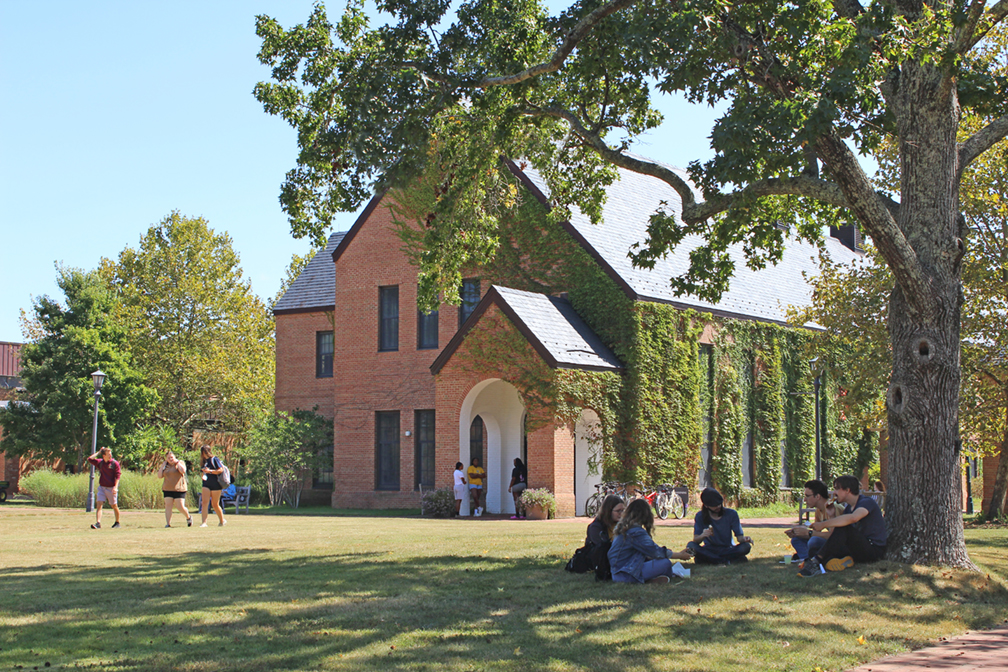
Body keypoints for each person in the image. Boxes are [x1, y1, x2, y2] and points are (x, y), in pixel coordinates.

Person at [799, 474, 887, 576]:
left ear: (847, 490)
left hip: (873, 550)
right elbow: (836, 536)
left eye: (837, 489)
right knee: (815, 546)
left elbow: (854, 518)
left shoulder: (866, 502)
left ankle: (816, 562)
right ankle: (837, 561)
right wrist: (831, 515)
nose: (834, 492)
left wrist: (823, 524)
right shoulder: (848, 508)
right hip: (855, 549)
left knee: (845, 527)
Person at [608, 498, 692, 584]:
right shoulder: (636, 532)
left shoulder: (623, 528)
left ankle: (652, 579)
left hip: (617, 573)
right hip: (627, 574)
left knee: (659, 560)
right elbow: (655, 551)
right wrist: (679, 555)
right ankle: (650, 579)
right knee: (666, 563)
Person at [687, 487, 753, 564]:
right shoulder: (700, 516)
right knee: (691, 546)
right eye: (714, 505)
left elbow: (740, 538)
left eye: (719, 504)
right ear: (706, 506)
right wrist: (703, 535)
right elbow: (696, 540)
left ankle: (712, 560)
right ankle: (725, 560)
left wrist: (745, 539)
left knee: (745, 547)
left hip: (728, 549)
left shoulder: (731, 514)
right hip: (709, 549)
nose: (718, 507)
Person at [785, 479, 836, 563]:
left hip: (837, 545)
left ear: (818, 496)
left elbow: (835, 536)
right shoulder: (818, 511)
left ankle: (811, 559)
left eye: (807, 496)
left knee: (814, 541)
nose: (805, 500)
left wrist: (808, 533)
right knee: (796, 540)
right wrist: (799, 533)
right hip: (827, 542)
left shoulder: (832, 508)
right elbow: (816, 532)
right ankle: (807, 558)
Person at [86, 447, 121, 529]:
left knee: (114, 506)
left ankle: (117, 522)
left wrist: (115, 487)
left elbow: (118, 476)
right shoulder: (100, 462)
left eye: (110, 454)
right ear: (104, 455)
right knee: (99, 504)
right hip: (102, 487)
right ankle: (98, 523)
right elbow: (90, 459)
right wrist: (98, 452)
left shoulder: (114, 463)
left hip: (111, 488)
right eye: (108, 454)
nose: (110, 455)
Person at [157, 451, 192, 528]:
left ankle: (188, 517)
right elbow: (159, 476)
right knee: (168, 505)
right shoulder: (166, 465)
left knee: (180, 506)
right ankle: (168, 523)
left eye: (172, 457)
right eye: (168, 458)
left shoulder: (180, 463)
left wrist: (177, 463)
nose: (170, 459)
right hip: (167, 488)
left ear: (175, 457)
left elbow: (183, 471)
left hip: (179, 488)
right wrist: (162, 466)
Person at [199, 445, 227, 528]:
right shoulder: (204, 461)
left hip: (216, 484)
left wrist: (210, 471)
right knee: (204, 503)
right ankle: (204, 522)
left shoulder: (214, 459)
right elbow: (203, 471)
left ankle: (222, 521)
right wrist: (203, 474)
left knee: (215, 504)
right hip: (206, 483)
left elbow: (220, 470)